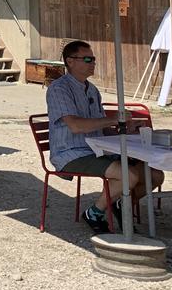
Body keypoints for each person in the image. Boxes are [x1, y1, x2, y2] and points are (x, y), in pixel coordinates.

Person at [46, 40, 165, 232]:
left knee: (155, 175)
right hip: (71, 152)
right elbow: (76, 126)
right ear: (70, 61)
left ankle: (119, 204)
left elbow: (100, 127)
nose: (93, 62)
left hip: (97, 149)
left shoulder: (91, 89)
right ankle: (94, 213)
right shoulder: (59, 89)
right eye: (87, 59)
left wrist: (125, 127)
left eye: (93, 59)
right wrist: (113, 120)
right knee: (129, 175)